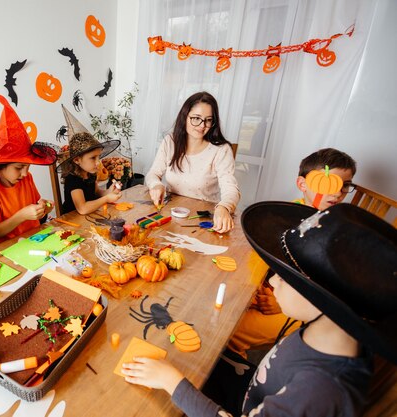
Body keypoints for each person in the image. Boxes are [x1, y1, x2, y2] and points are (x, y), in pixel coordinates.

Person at [122, 202, 397, 416]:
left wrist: (173, 382)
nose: (274, 281)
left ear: (325, 301)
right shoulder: (325, 333)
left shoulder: (321, 391)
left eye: (286, 277)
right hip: (251, 391)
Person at [227, 147, 358, 359]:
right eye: (328, 184)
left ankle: (234, 367)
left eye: (346, 186)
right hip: (272, 289)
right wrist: (253, 289)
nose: (337, 192)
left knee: (233, 330)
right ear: (302, 184)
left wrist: (281, 304)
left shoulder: (336, 234)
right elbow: (262, 256)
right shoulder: (286, 214)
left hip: (304, 311)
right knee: (226, 304)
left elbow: (330, 294)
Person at [145, 91, 240, 233]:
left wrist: (224, 207)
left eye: (208, 120)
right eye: (196, 118)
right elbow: (153, 174)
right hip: (171, 214)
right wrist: (156, 185)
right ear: (184, 117)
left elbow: (231, 189)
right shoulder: (170, 142)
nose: (202, 126)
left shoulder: (221, 150)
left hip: (202, 220)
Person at [0, 90, 57, 244]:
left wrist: (43, 208)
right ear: (0, 166)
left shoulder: (27, 178)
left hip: (35, 238)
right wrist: (21, 216)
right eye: (19, 168)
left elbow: (36, 209)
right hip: (9, 248)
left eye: (27, 166)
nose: (25, 174)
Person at [57, 105, 122, 215]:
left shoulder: (91, 173)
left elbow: (96, 193)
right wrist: (106, 199)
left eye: (98, 157)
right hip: (71, 220)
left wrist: (109, 191)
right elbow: (82, 209)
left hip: (89, 217)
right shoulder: (72, 179)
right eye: (93, 158)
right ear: (77, 160)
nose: (98, 162)